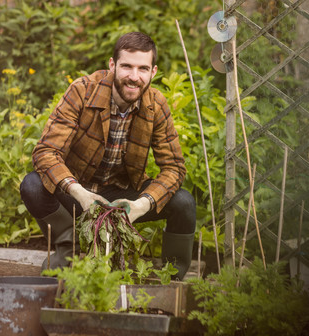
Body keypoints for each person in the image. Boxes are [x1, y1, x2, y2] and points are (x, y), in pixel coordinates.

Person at [20, 32, 196, 279]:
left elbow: (174, 168)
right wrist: (79, 194)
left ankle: (171, 275)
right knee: (33, 185)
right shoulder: (82, 91)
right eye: (126, 66)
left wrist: (140, 205)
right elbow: (46, 152)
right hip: (78, 193)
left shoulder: (156, 104)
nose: (134, 77)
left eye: (142, 68)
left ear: (153, 72)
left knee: (184, 203)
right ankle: (68, 249)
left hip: (123, 197)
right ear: (112, 65)